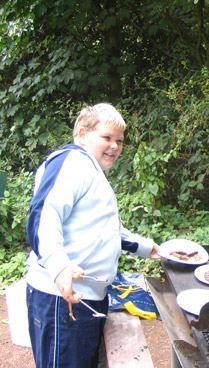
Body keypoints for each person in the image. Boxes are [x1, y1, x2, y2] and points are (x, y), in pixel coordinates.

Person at [25, 103, 161, 368]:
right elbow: (43, 216)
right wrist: (59, 267)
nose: (115, 146)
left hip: (88, 297)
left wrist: (149, 248)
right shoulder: (71, 161)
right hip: (61, 299)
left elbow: (107, 232)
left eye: (120, 141)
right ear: (81, 133)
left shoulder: (92, 172)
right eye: (107, 138)